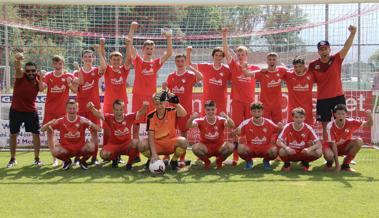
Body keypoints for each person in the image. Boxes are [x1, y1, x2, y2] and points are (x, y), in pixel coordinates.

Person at [308, 25, 357, 140]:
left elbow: (346, 47)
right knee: (325, 126)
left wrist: (353, 33)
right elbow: (307, 79)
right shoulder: (313, 65)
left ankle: (342, 147)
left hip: (338, 97)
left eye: (326, 48)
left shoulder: (336, 59)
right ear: (318, 51)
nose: (323, 51)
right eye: (321, 49)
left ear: (329, 49)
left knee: (340, 124)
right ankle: (327, 150)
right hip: (322, 99)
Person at [128, 21, 173, 141]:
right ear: (143, 49)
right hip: (138, 96)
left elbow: (169, 53)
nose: (149, 50)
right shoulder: (138, 61)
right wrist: (132, 29)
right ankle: (136, 151)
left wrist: (169, 38)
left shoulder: (155, 63)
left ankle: (151, 151)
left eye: (151, 48)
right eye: (147, 48)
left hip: (152, 97)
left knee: (151, 124)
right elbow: (130, 45)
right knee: (136, 122)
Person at [222, 27, 260, 165]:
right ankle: (235, 158)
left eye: (242, 54)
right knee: (236, 128)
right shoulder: (234, 66)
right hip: (237, 102)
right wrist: (225, 36)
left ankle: (250, 155)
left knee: (250, 128)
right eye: (238, 54)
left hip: (250, 104)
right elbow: (226, 52)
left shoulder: (254, 69)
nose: (240, 56)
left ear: (247, 55)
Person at [163, 53, 203, 166]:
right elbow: (167, 93)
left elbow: (201, 77)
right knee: (169, 132)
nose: (180, 63)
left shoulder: (190, 75)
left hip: (185, 110)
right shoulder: (171, 75)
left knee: (183, 133)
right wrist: (164, 89)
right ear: (175, 62)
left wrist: (193, 68)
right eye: (178, 61)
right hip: (171, 109)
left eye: (182, 61)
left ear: (185, 62)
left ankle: (181, 158)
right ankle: (166, 156)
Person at [87, 99, 149, 170]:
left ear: (124, 109)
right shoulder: (109, 117)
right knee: (103, 154)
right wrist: (91, 108)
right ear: (113, 110)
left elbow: (141, 112)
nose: (118, 112)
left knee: (135, 142)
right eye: (116, 110)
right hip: (114, 145)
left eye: (120, 109)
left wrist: (145, 105)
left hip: (126, 145)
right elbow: (98, 114)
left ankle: (129, 164)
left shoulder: (129, 117)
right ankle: (115, 158)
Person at [6, 53, 43, 168]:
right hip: (16, 110)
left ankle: (37, 159)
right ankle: (12, 159)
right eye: (28, 71)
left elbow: (42, 88)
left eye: (33, 70)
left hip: (31, 111)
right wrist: (17, 59)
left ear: (36, 70)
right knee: (13, 134)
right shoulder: (21, 76)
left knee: (36, 134)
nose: (30, 73)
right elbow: (17, 68)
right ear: (25, 71)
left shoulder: (38, 80)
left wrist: (41, 77)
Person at [40, 100, 101, 170]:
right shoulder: (61, 121)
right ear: (66, 109)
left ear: (77, 109)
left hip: (80, 149)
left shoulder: (82, 120)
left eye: (74, 108)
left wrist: (89, 123)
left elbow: (99, 129)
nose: (72, 110)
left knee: (91, 146)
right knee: (55, 151)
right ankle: (67, 161)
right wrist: (49, 123)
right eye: (69, 108)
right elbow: (42, 130)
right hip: (66, 150)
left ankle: (83, 161)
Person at [41, 55, 79, 166]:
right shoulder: (48, 76)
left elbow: (75, 89)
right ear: (52, 64)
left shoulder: (68, 76)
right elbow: (42, 88)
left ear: (63, 64)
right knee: (50, 134)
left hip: (63, 111)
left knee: (66, 135)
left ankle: (66, 157)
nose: (58, 66)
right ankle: (55, 158)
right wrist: (41, 77)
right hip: (50, 110)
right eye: (55, 64)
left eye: (60, 64)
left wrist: (71, 83)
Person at [138, 91, 189, 171]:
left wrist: (175, 102)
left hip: (170, 143)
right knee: (141, 145)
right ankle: (152, 159)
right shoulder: (150, 116)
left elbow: (184, 113)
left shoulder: (171, 111)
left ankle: (174, 161)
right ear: (153, 104)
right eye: (156, 104)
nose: (159, 106)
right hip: (157, 145)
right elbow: (150, 136)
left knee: (184, 142)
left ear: (165, 103)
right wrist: (154, 154)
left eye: (161, 103)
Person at [98, 37, 131, 147]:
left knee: (122, 127)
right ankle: (106, 149)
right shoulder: (107, 69)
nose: (116, 61)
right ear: (110, 60)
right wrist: (101, 46)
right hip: (109, 103)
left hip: (122, 103)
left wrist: (128, 46)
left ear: (121, 61)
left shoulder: (124, 70)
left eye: (118, 60)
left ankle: (120, 151)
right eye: (114, 59)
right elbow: (102, 59)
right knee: (107, 127)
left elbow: (129, 59)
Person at [74, 49, 103, 165]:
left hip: (93, 108)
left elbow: (104, 66)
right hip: (81, 108)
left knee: (94, 133)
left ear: (93, 58)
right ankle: (77, 157)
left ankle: (94, 157)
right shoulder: (76, 72)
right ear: (82, 58)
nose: (88, 58)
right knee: (79, 134)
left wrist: (100, 49)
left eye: (90, 56)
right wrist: (74, 82)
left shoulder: (96, 71)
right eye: (85, 56)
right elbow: (75, 88)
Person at [323, 104, 373, 172]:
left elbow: (369, 124)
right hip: (332, 147)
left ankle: (345, 165)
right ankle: (329, 164)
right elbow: (333, 144)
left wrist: (370, 116)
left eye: (343, 114)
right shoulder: (330, 125)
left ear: (346, 114)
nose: (341, 116)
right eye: (338, 114)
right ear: (334, 115)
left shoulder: (351, 122)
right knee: (329, 155)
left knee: (359, 141)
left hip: (344, 147)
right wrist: (337, 165)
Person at [187, 101, 235, 169]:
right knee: (195, 148)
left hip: (219, 147)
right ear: (205, 110)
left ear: (216, 109)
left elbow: (232, 126)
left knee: (231, 147)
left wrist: (226, 117)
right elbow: (189, 126)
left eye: (212, 109)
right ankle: (207, 162)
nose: (210, 112)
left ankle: (219, 161)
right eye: (208, 110)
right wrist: (192, 118)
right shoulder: (200, 120)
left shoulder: (221, 119)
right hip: (206, 147)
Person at [234, 102, 281, 170]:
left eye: (259, 111)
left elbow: (279, 131)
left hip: (265, 148)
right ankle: (249, 161)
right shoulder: (245, 122)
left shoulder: (269, 122)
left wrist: (281, 128)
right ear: (250, 112)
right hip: (251, 149)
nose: (256, 113)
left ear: (262, 112)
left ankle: (266, 161)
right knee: (240, 147)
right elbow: (238, 134)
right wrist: (236, 132)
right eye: (254, 111)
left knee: (275, 150)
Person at [243, 52, 287, 124]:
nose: (272, 61)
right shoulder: (262, 72)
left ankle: (278, 136)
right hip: (265, 104)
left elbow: (293, 72)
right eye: (270, 59)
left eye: (273, 59)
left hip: (277, 104)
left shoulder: (282, 70)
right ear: (267, 61)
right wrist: (244, 66)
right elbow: (247, 74)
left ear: (277, 61)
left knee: (279, 124)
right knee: (263, 124)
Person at [186, 46, 231, 115]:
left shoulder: (227, 69)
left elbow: (235, 79)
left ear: (223, 57)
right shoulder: (206, 66)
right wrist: (188, 52)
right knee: (204, 123)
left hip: (221, 102)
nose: (218, 57)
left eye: (220, 55)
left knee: (221, 123)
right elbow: (189, 65)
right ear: (213, 56)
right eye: (216, 55)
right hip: (207, 101)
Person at [282, 56, 315, 125]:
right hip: (293, 112)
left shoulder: (311, 75)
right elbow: (276, 71)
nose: (298, 69)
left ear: (304, 66)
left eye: (300, 66)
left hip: (307, 112)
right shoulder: (289, 75)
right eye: (295, 67)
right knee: (291, 132)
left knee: (307, 132)